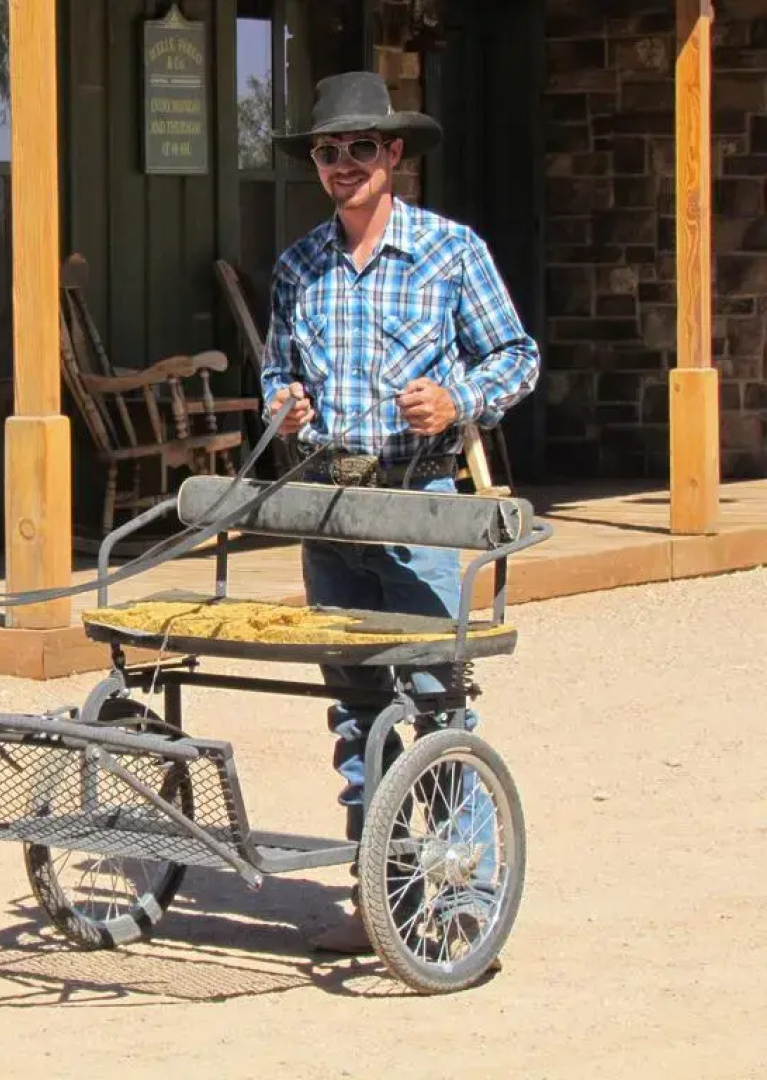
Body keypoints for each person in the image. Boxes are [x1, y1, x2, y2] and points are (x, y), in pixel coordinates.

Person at [261, 71, 541, 954]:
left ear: (392, 153)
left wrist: (457, 401)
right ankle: (380, 895)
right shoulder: (298, 266)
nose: (342, 164)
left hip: (418, 505)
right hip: (328, 510)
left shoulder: (451, 252)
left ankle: (464, 898)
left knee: (436, 702)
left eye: (359, 148)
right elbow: (275, 372)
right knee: (355, 710)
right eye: (326, 151)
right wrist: (283, 406)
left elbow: (517, 356)